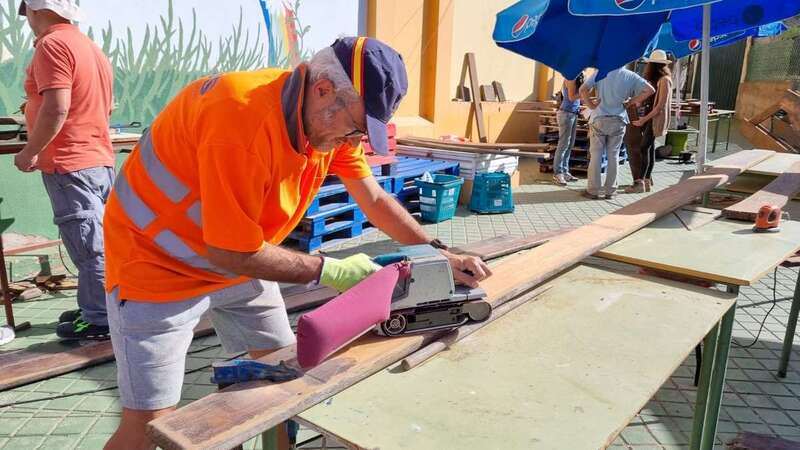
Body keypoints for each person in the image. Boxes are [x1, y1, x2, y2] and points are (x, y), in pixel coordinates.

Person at [102, 37, 491, 449]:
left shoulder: (326, 122)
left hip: (237, 258)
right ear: (323, 90)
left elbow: (374, 200)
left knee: (287, 372)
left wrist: (437, 252)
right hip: (157, 267)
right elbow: (232, 252)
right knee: (151, 425)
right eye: (356, 128)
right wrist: (331, 269)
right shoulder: (239, 119)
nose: (353, 142)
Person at [13, 0, 115, 339]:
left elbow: (57, 108)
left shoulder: (52, 45)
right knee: (102, 241)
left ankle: (99, 318)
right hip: (96, 158)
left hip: (70, 163)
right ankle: (101, 306)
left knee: (88, 246)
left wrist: (30, 151)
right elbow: (101, 105)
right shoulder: (88, 46)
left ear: (35, 10)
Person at [579, 67, 655, 199]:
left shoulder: (600, 72)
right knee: (613, 155)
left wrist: (591, 105)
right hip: (619, 119)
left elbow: (582, 90)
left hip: (599, 118)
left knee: (596, 156)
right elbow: (650, 90)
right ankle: (611, 191)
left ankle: (593, 190)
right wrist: (631, 101)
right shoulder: (630, 75)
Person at [630, 50, 673, 193]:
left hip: (654, 119)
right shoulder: (658, 79)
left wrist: (643, 119)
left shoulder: (665, 80)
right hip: (650, 118)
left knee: (644, 148)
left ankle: (640, 182)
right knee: (649, 148)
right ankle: (647, 181)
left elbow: (660, 106)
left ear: (653, 65)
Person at [552, 73, 584, 186]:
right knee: (563, 145)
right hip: (566, 114)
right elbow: (571, 97)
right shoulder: (571, 77)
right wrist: (584, 93)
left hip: (573, 114)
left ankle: (565, 171)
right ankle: (558, 173)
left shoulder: (578, 76)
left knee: (569, 144)